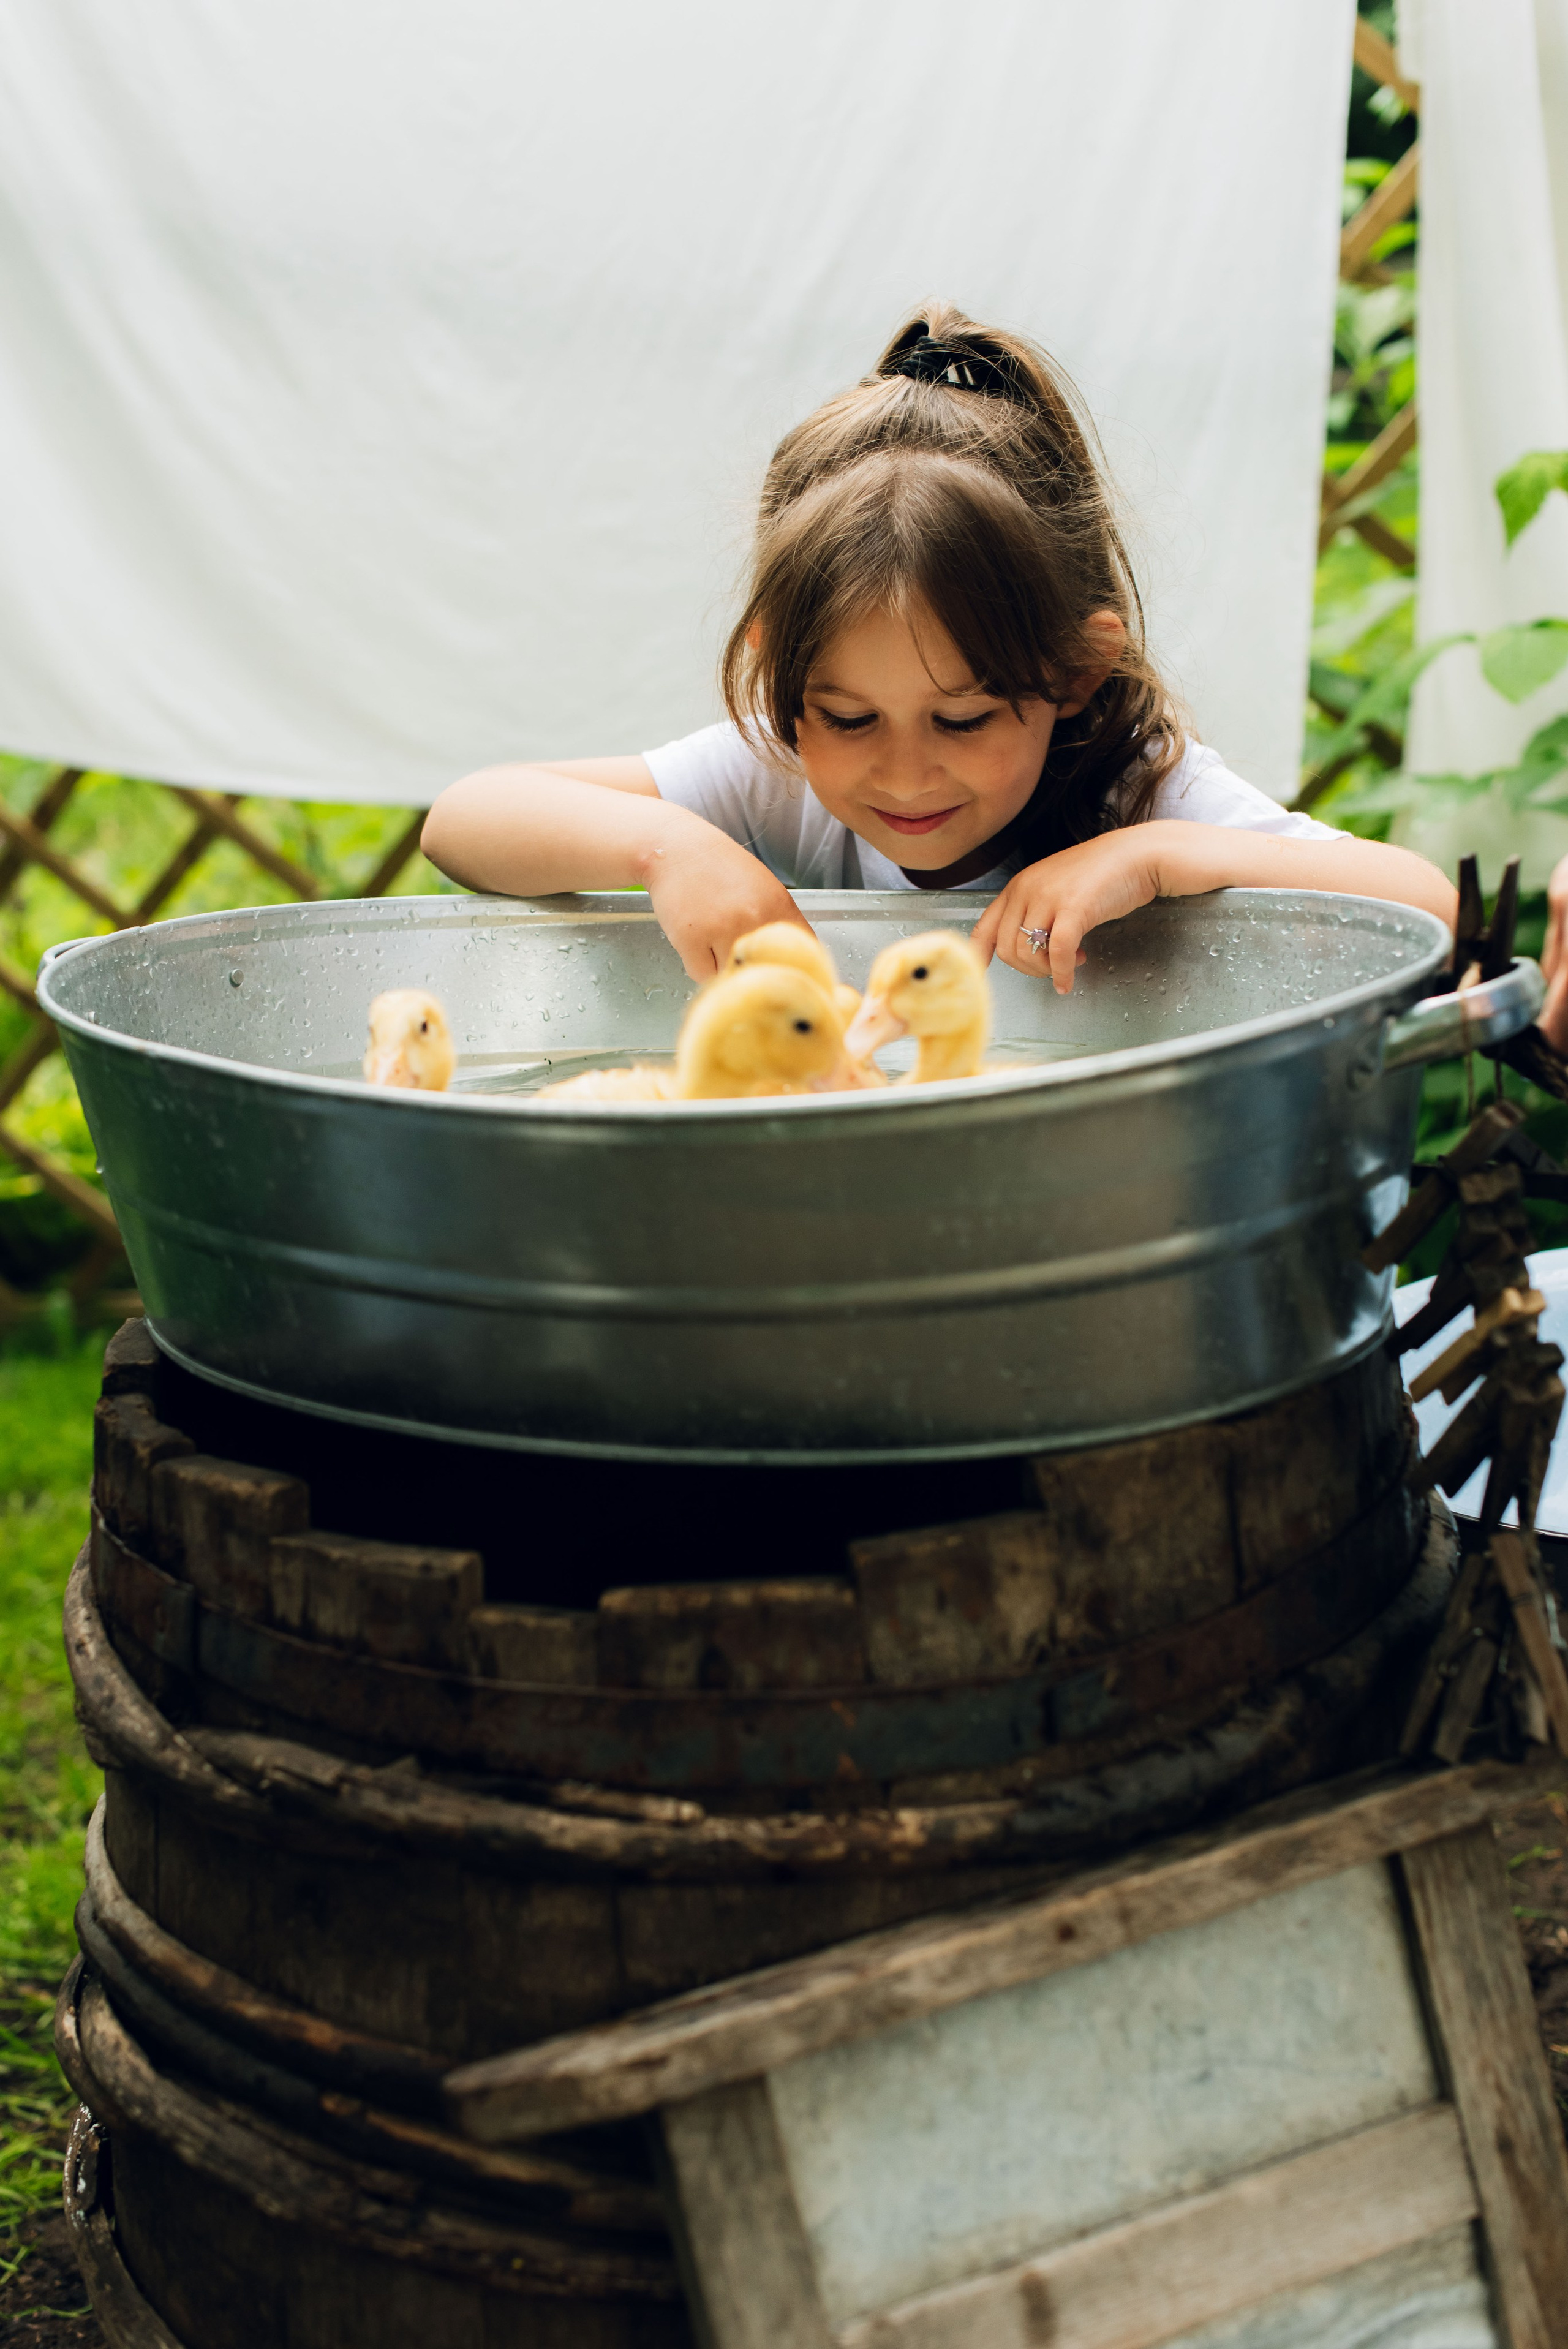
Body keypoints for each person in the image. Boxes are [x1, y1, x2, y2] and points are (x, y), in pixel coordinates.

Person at [421, 307, 1456, 995]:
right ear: (779, 670)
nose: (903, 770)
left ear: (1074, 674)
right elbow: (464, 820)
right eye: (849, 716)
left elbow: (1430, 907)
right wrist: (666, 848)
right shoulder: (776, 779)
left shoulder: (1134, 794)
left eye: (961, 718)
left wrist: (1159, 856)